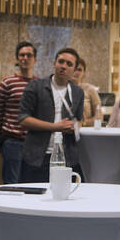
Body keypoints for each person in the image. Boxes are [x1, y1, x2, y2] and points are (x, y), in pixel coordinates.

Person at [18, 47, 84, 182]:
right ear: (54, 64)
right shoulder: (35, 86)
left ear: (74, 70)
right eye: (61, 61)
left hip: (66, 157)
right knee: (33, 194)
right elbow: (23, 118)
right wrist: (55, 127)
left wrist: (75, 126)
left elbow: (79, 119)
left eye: (69, 64)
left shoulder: (78, 92)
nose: (64, 66)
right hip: (37, 156)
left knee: (63, 193)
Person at [0, 41, 39, 184]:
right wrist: (4, 131)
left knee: (31, 184)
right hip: (13, 142)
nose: (25, 58)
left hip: (34, 143)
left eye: (29, 55)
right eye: (21, 55)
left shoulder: (40, 84)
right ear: (17, 59)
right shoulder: (7, 83)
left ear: (35, 59)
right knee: (12, 185)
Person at [73, 58, 103, 125]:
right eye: (74, 69)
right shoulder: (62, 89)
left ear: (84, 73)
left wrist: (82, 123)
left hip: (85, 129)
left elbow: (99, 117)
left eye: (79, 70)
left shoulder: (90, 89)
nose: (76, 72)